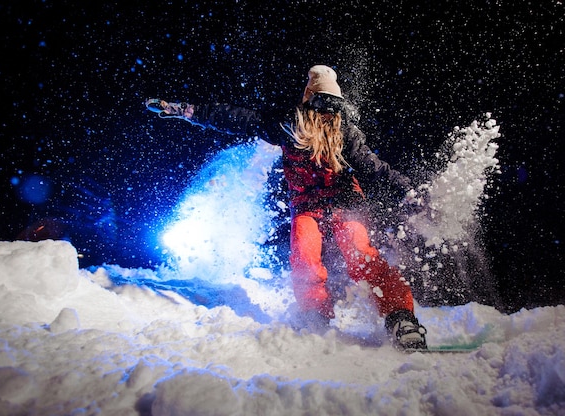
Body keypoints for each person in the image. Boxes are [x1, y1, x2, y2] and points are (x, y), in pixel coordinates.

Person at [145, 65, 428, 351]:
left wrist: (408, 190)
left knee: (360, 254)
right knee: (304, 258)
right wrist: (185, 110)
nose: (327, 114)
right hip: (306, 204)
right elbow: (237, 118)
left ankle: (400, 318)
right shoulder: (289, 125)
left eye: (334, 106)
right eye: (322, 104)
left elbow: (375, 167)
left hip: (344, 202)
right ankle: (316, 316)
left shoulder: (346, 133)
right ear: (310, 98)